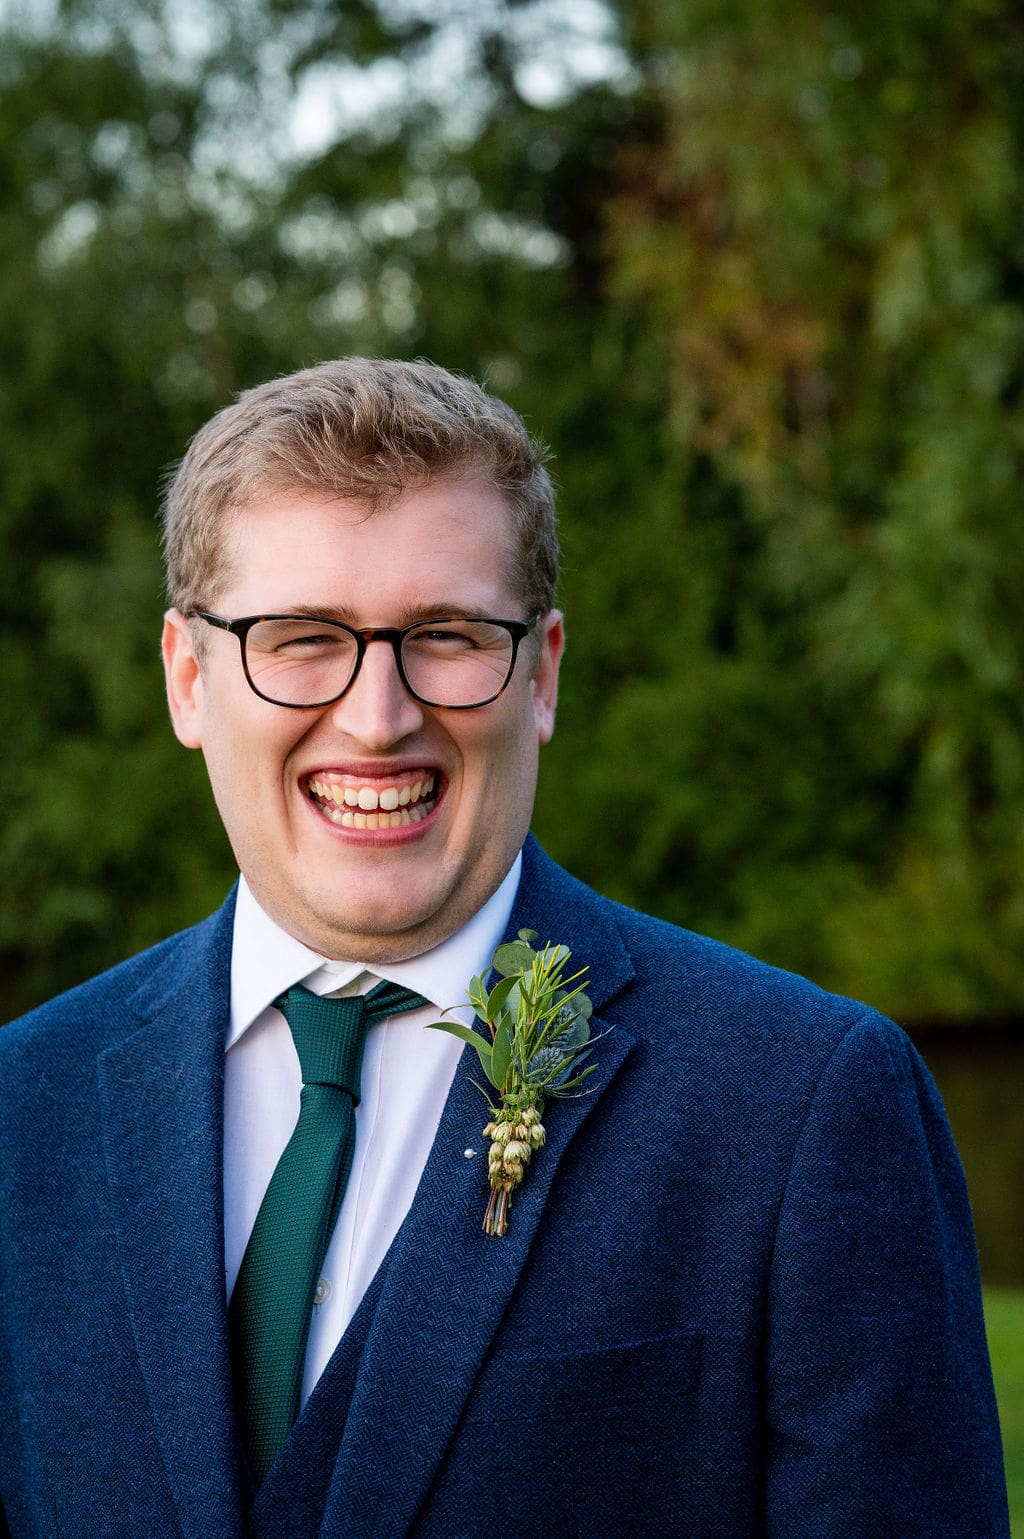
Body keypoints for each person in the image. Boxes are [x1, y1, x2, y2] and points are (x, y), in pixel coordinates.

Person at [0, 358, 1009, 1538]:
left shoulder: (804, 1106)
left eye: (446, 634)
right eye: (301, 637)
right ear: (187, 677)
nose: (378, 716)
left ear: (542, 674)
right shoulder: (26, 1108)